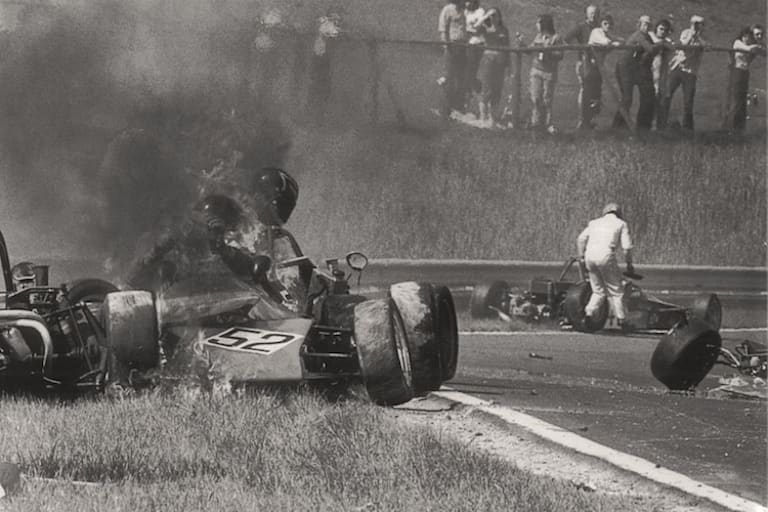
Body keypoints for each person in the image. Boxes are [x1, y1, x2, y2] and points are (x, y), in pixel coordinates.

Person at [576, 202, 634, 332]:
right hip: (606, 256)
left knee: (598, 291)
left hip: (589, 256)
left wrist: (581, 257)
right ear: (618, 213)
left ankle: (588, 315)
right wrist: (629, 265)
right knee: (616, 290)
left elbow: (580, 239)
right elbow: (627, 248)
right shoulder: (621, 224)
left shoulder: (594, 223)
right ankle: (622, 321)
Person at [612, 15, 666, 130]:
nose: (647, 27)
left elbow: (653, 50)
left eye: (649, 25)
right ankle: (617, 126)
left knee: (647, 94)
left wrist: (659, 45)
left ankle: (643, 126)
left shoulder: (647, 36)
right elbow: (651, 49)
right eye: (645, 24)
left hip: (635, 68)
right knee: (627, 98)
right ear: (639, 24)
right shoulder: (639, 35)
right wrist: (662, 43)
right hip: (624, 67)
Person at [665, 15, 707, 130]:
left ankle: (687, 128)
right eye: (695, 23)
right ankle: (662, 121)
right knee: (667, 94)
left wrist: (697, 36)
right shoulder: (685, 33)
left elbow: (704, 46)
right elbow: (683, 45)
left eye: (700, 24)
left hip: (690, 72)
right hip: (678, 68)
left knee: (688, 100)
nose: (698, 26)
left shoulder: (702, 38)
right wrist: (692, 35)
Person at [564, 5, 601, 129]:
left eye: (595, 13)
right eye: (591, 13)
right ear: (586, 14)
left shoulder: (600, 28)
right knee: (585, 90)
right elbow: (567, 38)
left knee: (595, 92)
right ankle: (582, 119)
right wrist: (580, 48)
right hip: (583, 63)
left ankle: (590, 120)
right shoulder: (581, 27)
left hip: (597, 64)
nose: (593, 15)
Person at [583, 14, 622, 129]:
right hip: (589, 66)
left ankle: (591, 121)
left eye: (610, 24)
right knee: (589, 93)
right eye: (605, 23)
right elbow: (605, 42)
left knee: (596, 94)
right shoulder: (596, 32)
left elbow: (619, 40)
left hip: (597, 67)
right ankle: (585, 122)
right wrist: (614, 43)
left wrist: (617, 42)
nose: (608, 26)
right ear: (601, 24)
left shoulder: (607, 33)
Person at [527, 14, 563, 133]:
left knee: (547, 99)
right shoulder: (538, 36)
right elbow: (530, 49)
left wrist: (548, 52)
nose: (536, 25)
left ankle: (548, 124)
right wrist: (523, 45)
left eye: (538, 22)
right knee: (535, 98)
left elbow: (560, 54)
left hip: (549, 72)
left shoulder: (556, 38)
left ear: (544, 23)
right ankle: (536, 123)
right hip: (536, 70)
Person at [726, 26, 766, 132]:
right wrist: (757, 45)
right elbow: (749, 49)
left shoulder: (753, 45)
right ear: (742, 36)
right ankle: (730, 127)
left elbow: (765, 52)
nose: (746, 39)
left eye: (748, 37)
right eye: (745, 36)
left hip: (745, 72)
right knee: (735, 99)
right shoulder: (738, 43)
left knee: (742, 100)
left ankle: (740, 127)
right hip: (736, 71)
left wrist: (759, 44)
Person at [476, 8, 509, 127]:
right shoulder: (485, 29)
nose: (493, 18)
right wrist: (485, 17)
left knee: (497, 90)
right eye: (491, 16)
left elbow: (507, 48)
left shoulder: (504, 30)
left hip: (500, 63)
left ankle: (493, 119)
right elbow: (474, 29)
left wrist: (508, 65)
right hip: (488, 62)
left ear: (499, 17)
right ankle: (483, 118)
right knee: (486, 90)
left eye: (495, 15)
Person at [438, 0, 468, 117]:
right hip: (452, 46)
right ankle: (445, 108)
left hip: (464, 47)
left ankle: (458, 107)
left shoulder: (465, 10)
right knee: (449, 77)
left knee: (461, 78)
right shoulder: (447, 9)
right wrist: (446, 46)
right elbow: (443, 30)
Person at [649, 19, 674, 129]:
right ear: (656, 29)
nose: (663, 32)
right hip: (651, 70)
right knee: (652, 97)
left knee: (662, 98)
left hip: (663, 73)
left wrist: (664, 43)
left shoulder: (667, 41)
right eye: (661, 29)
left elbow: (672, 48)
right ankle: (650, 125)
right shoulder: (651, 38)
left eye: (665, 30)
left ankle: (660, 125)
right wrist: (661, 43)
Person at [465, 0, 486, 108]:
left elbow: (480, 29)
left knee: (472, 69)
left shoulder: (480, 11)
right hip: (469, 44)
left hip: (478, 44)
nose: (468, 4)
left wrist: (470, 30)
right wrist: (470, 30)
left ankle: (477, 88)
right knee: (467, 70)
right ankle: (469, 95)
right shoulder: (466, 12)